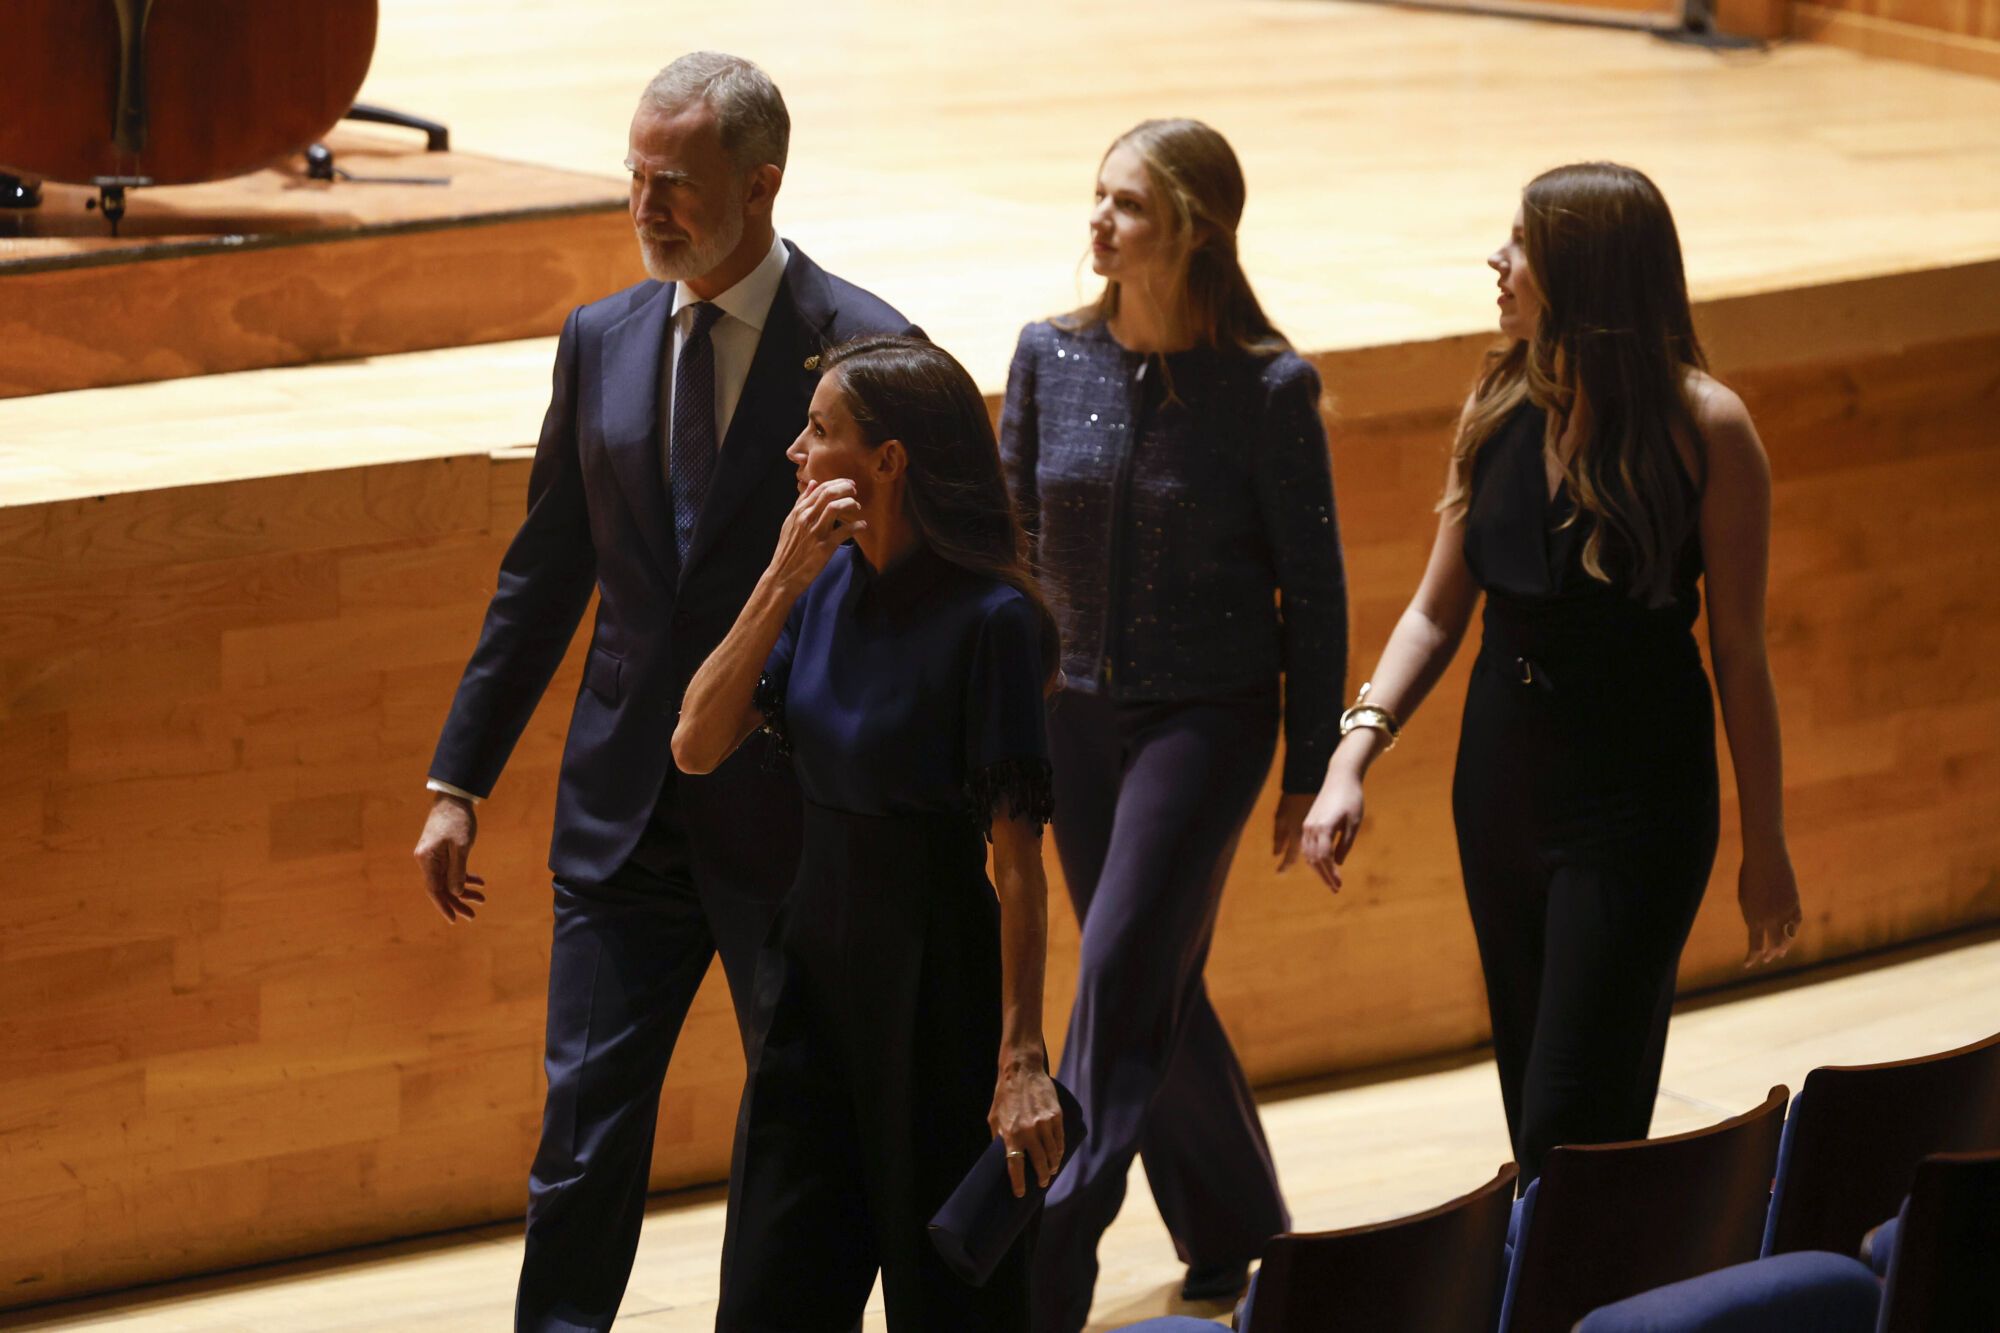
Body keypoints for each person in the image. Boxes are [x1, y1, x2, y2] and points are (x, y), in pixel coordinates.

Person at [411, 52, 917, 1331]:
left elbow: (912, 598)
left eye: (675, 185)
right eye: (634, 179)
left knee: (799, 1132)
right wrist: (457, 778)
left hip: (784, 813)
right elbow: (544, 573)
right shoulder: (600, 339)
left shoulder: (866, 346)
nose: (646, 207)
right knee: (580, 1142)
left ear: (761, 183)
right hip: (621, 817)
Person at [1301, 162, 1805, 1186]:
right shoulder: (1495, 401)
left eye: (1519, 244)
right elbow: (1435, 611)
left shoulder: (1707, 427)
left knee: (1571, 1122)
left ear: (1584, 272)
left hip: (1636, 802)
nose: (1496, 260)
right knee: (1538, 1104)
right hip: (1501, 791)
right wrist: (1351, 753)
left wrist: (1767, 845)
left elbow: (1740, 657)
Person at [999, 119, 1348, 1331]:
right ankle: (1242, 1227)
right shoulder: (1050, 355)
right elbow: (1012, 550)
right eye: (1095, 196)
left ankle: (1047, 1255)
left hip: (1207, 719)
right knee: (1149, 975)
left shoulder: (1265, 388)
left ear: (1192, 228)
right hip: (1072, 719)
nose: (1098, 220)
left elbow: (1313, 590)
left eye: (1128, 204)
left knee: (1114, 973)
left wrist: (1310, 765)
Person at [673, 335, 1064, 1331]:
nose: (796, 452)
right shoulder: (819, 588)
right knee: (767, 1295)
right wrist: (777, 580)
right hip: (811, 981)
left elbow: (1016, 865)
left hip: (936, 990)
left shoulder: (992, 621)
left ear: (887, 460)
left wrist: (1020, 1059)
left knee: (947, 1308)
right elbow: (694, 742)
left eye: (819, 431)